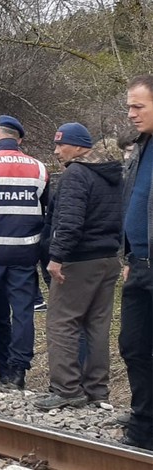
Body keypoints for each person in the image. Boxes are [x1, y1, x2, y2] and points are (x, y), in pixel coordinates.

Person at [33, 123, 123, 411]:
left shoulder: (76, 173)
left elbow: (70, 222)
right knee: (97, 326)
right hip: (108, 258)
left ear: (79, 146)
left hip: (79, 260)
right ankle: (98, 390)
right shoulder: (113, 173)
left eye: (62, 145)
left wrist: (56, 257)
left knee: (62, 323)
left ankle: (66, 389)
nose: (57, 151)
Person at [0, 115, 49, 390]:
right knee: (23, 313)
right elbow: (47, 211)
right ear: (19, 140)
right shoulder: (40, 169)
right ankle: (16, 372)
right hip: (25, 255)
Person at [119, 74, 153, 450]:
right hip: (138, 263)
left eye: (138, 106)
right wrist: (129, 253)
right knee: (133, 345)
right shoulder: (141, 147)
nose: (130, 113)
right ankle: (144, 425)